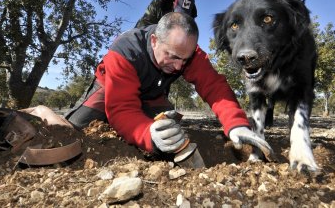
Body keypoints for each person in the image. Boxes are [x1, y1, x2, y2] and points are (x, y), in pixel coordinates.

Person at [65, 12, 270, 156]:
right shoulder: (125, 52)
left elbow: (215, 87)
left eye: (184, 60)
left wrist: (236, 124)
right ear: (154, 41)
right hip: (110, 88)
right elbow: (121, 107)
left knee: (170, 131)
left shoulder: (187, 53)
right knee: (74, 130)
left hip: (153, 93)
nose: (179, 66)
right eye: (172, 56)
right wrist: (146, 134)